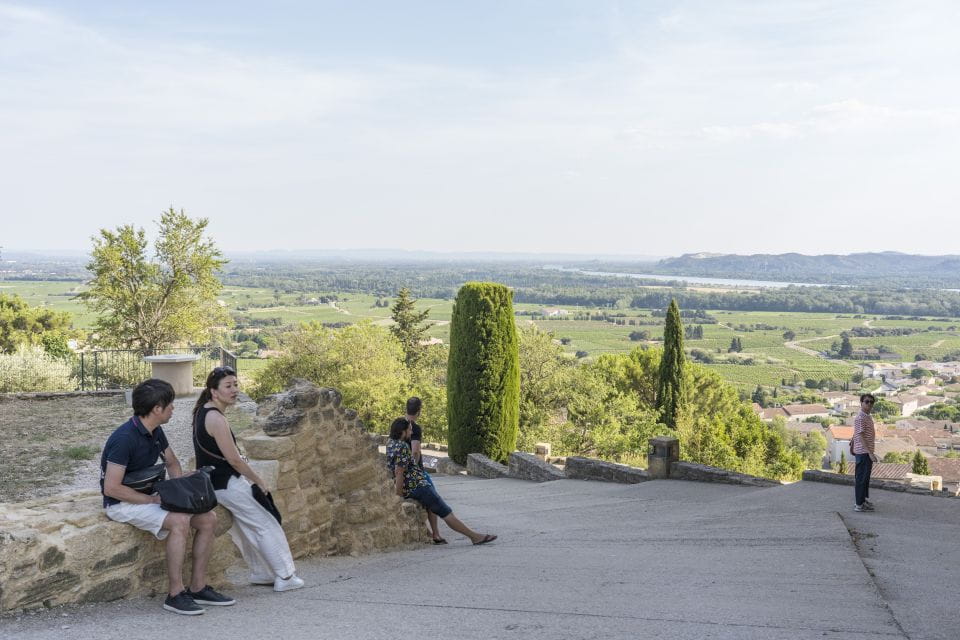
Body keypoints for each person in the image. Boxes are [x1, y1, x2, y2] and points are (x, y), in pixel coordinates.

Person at [101, 378, 234, 615]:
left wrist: (181, 488)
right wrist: (151, 501)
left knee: (208, 519)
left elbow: (172, 462)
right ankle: (175, 594)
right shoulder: (124, 439)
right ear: (157, 409)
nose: (173, 408)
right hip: (122, 503)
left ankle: (198, 586)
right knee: (179, 521)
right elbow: (111, 488)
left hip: (148, 494)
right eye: (170, 404)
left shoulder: (155, 431)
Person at [193, 366, 304, 592]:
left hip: (215, 484)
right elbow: (234, 460)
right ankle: (285, 575)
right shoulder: (216, 418)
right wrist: (258, 481)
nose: (234, 390)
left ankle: (261, 572)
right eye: (228, 386)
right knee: (266, 523)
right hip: (227, 483)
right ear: (214, 392)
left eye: (235, 384)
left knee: (246, 527)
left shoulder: (203, 412)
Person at [386, 418, 497, 545]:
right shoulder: (402, 446)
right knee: (446, 511)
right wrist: (398, 495)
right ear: (402, 431)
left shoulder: (390, 443)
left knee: (438, 508)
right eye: (409, 430)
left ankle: (435, 534)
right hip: (418, 487)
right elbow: (399, 472)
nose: (411, 433)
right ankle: (474, 537)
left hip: (413, 486)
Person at [851, 393, 878, 512]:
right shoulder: (860, 417)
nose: (869, 404)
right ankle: (858, 505)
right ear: (861, 403)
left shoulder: (867, 416)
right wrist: (870, 453)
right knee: (861, 479)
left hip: (866, 452)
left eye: (871, 402)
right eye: (867, 401)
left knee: (865, 479)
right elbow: (860, 436)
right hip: (863, 453)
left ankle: (862, 501)